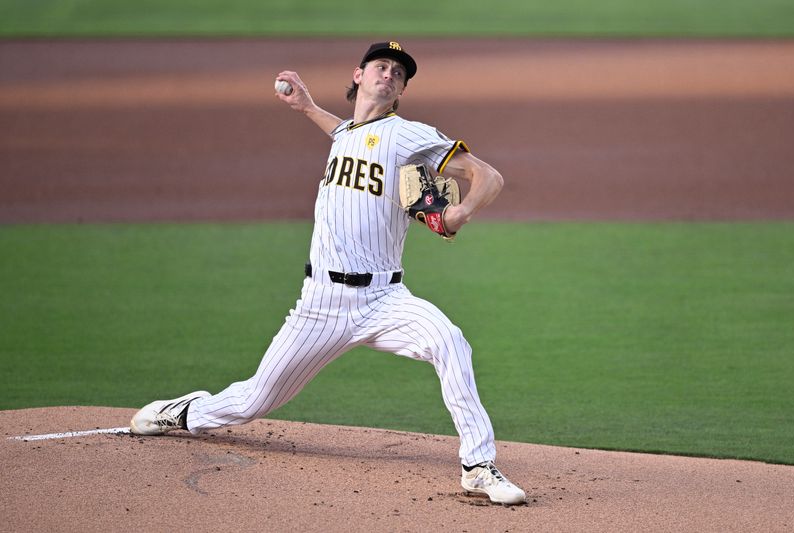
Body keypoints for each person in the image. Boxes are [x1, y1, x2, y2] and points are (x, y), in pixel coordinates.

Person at [130, 41, 525, 505]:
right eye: (381, 66)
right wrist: (307, 107)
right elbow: (347, 133)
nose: (390, 74)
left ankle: (478, 465)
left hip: (385, 301)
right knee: (254, 401)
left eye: (399, 73)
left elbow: (488, 176)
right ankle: (186, 412)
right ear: (358, 76)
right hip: (319, 304)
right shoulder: (347, 134)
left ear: (400, 92)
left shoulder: (409, 136)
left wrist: (461, 213)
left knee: (450, 342)